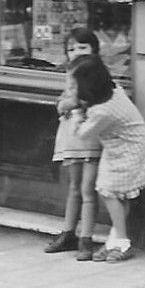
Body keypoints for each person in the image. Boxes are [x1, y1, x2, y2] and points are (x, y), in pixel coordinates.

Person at [72, 54, 145, 262]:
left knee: (109, 192)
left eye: (75, 85)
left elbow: (82, 134)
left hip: (129, 149)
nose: (72, 89)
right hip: (123, 145)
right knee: (117, 194)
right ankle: (113, 240)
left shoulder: (102, 112)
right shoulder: (113, 89)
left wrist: (76, 113)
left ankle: (123, 242)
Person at [44, 26, 102, 257]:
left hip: (90, 136)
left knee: (88, 189)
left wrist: (67, 104)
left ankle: (86, 238)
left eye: (82, 47)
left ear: (94, 50)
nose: (76, 52)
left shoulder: (96, 74)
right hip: (72, 136)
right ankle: (68, 232)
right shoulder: (70, 73)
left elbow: (83, 100)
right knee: (74, 187)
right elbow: (64, 100)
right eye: (71, 49)